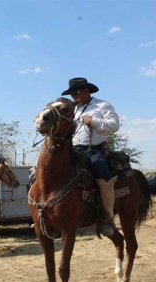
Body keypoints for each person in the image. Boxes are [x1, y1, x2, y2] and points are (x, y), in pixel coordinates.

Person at [62, 77, 119, 236]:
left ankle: (107, 218)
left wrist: (94, 121)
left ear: (87, 91)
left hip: (94, 150)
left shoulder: (102, 105)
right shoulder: (72, 109)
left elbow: (114, 125)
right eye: (72, 94)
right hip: (73, 149)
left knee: (102, 172)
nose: (74, 97)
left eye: (77, 93)